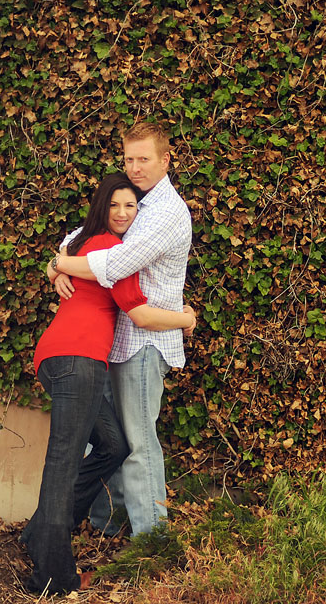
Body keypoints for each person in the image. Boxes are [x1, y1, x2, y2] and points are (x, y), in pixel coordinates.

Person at [23, 173, 196, 596]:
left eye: (130, 206)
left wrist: (54, 265)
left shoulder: (84, 243)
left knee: (113, 445)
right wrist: (187, 318)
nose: (122, 213)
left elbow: (61, 256)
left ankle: (38, 532)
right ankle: (54, 576)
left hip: (60, 358)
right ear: (103, 207)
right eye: (115, 205)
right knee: (63, 463)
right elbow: (140, 314)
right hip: (78, 360)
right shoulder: (109, 250)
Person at [51, 121, 193, 536]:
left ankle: (153, 543)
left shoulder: (166, 212)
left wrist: (62, 263)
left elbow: (116, 265)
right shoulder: (134, 201)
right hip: (115, 340)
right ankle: (105, 531)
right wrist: (55, 262)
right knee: (109, 444)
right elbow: (80, 235)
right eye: (129, 158)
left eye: (143, 159)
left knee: (137, 447)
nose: (134, 167)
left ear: (166, 160)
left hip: (144, 342)